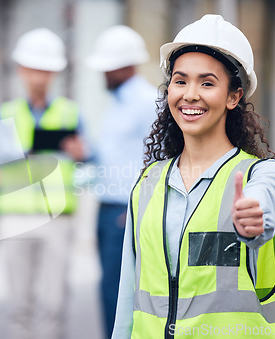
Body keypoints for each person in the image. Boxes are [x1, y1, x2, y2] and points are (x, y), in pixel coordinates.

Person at [112, 14, 275, 338]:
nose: (190, 94)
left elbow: (261, 204)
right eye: (180, 81)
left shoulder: (262, 174)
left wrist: (255, 220)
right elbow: (129, 295)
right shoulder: (148, 183)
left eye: (207, 83)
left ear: (233, 97)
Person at [0, 28, 86, 339]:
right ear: (22, 70)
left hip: (56, 217)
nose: (39, 77)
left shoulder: (71, 113)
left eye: (46, 70)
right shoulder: (4, 114)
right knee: (19, 303)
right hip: (15, 217)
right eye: (34, 69)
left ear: (55, 74)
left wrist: (82, 155)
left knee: (54, 303)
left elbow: (88, 165)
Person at [85, 25, 157, 339]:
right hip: (106, 208)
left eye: (107, 68)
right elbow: (118, 154)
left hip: (124, 211)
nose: (102, 74)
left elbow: (158, 157)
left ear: (126, 65)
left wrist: (139, 208)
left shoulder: (147, 101)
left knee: (119, 291)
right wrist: (87, 153)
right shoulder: (116, 101)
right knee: (107, 288)